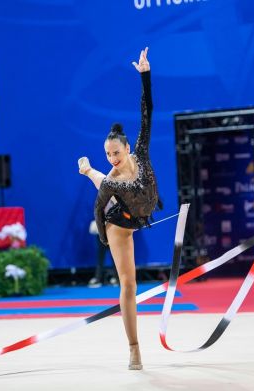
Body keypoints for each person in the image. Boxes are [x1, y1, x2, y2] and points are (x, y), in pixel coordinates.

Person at [78, 47, 160, 370]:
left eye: (116, 152)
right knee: (129, 284)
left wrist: (145, 76)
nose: (113, 159)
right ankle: (134, 347)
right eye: (108, 155)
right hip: (119, 223)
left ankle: (86, 170)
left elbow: (148, 111)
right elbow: (98, 208)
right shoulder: (111, 178)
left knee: (104, 182)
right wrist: (103, 236)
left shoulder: (139, 150)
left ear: (127, 147)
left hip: (141, 205)